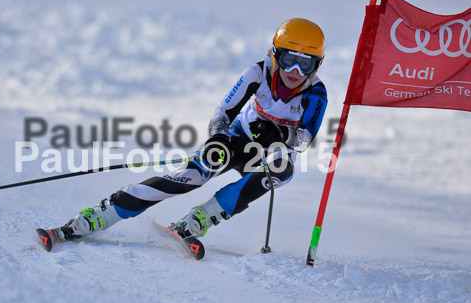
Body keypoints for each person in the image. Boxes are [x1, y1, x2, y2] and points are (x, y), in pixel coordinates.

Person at [43, 18, 328, 245]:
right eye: (290, 59)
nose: (295, 71)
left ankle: (199, 220)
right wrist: (217, 138)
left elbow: (304, 140)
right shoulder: (258, 72)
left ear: (316, 66)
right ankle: (97, 216)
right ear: (276, 55)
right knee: (191, 176)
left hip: (268, 156)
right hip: (237, 140)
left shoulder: (315, 93)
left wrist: (278, 137)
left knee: (283, 169)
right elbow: (223, 113)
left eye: (306, 64)